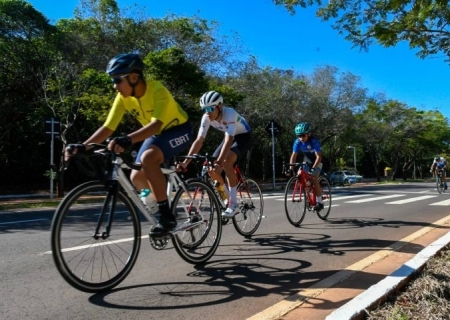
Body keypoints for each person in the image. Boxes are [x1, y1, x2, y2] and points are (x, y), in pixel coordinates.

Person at [65, 53, 193, 235]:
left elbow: (156, 124)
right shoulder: (123, 97)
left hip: (179, 129)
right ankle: (154, 207)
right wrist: (84, 146)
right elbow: (108, 127)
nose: (114, 86)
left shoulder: (157, 90)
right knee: (136, 177)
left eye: (117, 80)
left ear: (133, 77)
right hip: (155, 133)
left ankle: (167, 216)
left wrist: (127, 139)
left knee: (148, 159)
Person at [177, 91, 252, 218]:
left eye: (211, 108)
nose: (208, 112)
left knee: (226, 161)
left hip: (243, 136)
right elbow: (199, 140)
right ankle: (226, 198)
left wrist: (220, 161)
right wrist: (185, 162)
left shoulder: (230, 114)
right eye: (204, 109)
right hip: (229, 136)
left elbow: (229, 140)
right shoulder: (206, 117)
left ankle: (233, 204)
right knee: (211, 169)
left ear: (219, 106)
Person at [287, 122, 324, 211]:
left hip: (317, 160)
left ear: (308, 134)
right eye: (299, 136)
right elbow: (294, 155)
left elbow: (319, 156)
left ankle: (320, 203)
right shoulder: (298, 142)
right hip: (307, 160)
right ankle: (309, 192)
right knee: (300, 174)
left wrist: (313, 168)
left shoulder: (313, 141)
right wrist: (290, 168)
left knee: (314, 179)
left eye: (303, 135)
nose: (301, 138)